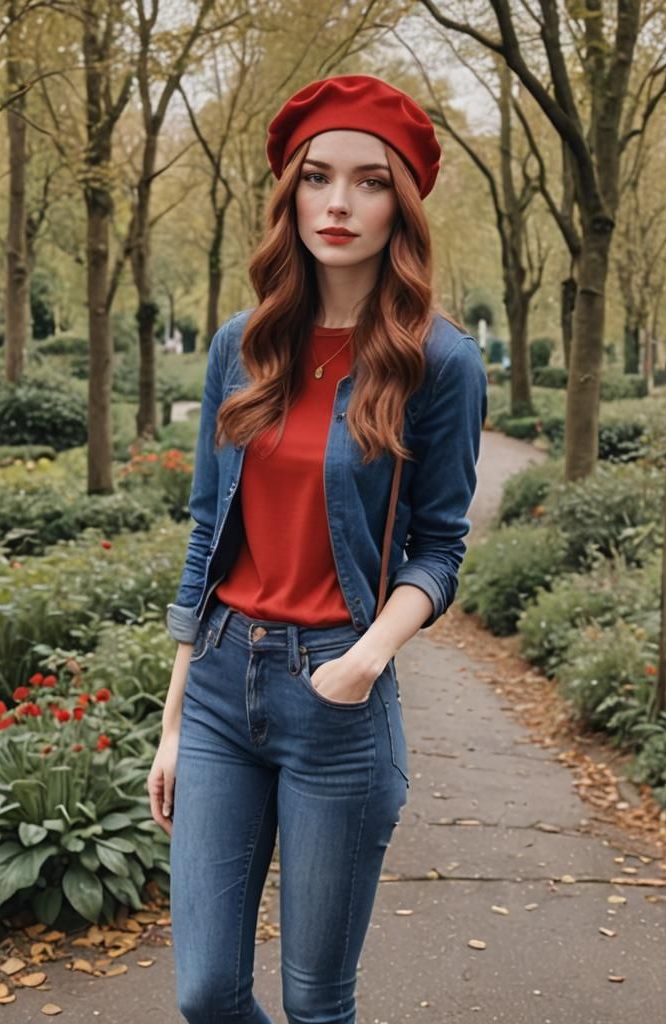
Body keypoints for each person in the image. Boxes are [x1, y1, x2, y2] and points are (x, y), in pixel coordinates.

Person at [147, 73, 488, 1024]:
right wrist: (172, 722)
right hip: (221, 689)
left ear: (401, 205)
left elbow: (440, 549)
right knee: (207, 993)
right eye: (318, 177)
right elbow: (208, 535)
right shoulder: (241, 346)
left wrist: (365, 659)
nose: (338, 203)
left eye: (369, 182)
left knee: (315, 1003)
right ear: (290, 195)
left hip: (337, 695)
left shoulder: (440, 361)